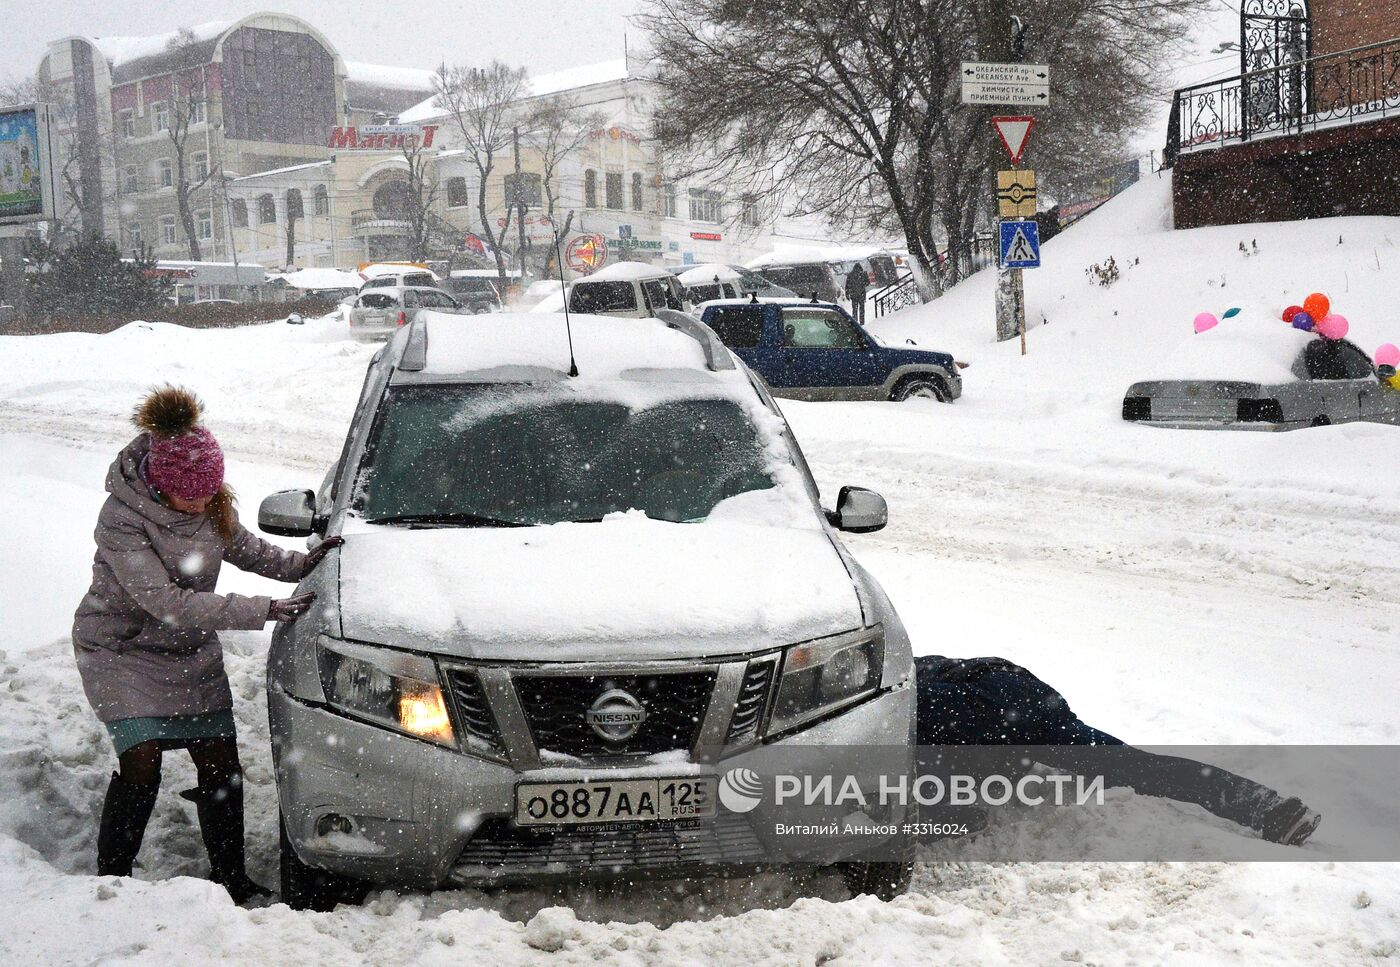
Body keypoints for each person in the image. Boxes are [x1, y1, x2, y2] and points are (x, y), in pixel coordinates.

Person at [73, 386, 342, 902]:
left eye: (208, 494)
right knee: (142, 759)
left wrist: (300, 565)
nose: (201, 503)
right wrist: (260, 609)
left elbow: (243, 548)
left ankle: (231, 876)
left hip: (187, 648)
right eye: (190, 496)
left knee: (220, 759)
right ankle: (112, 879)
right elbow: (167, 603)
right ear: (159, 483)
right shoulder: (121, 519)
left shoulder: (210, 501)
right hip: (121, 649)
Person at [914, 655, 1322, 847]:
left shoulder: (900, 688)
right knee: (1136, 767)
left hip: (986, 703)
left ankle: (950, 809)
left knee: (910, 760)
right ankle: (1270, 809)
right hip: (1024, 694)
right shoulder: (906, 667)